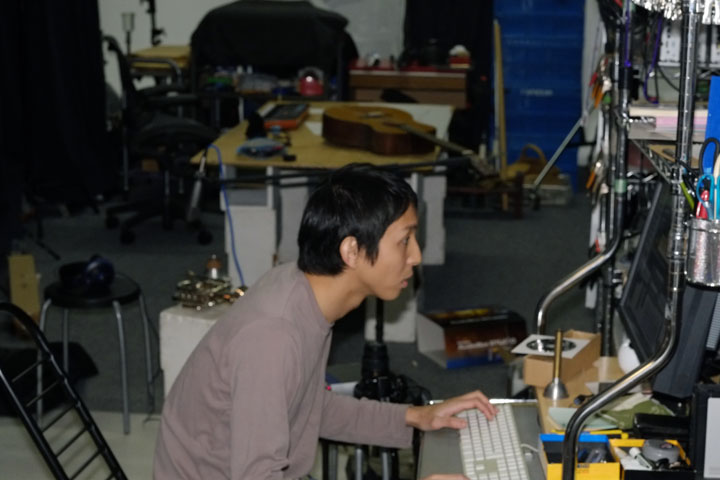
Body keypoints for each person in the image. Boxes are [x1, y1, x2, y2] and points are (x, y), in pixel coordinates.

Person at [154, 163, 497, 480]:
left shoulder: (303, 289)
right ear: (351, 251)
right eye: (404, 240)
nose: (416, 255)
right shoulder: (273, 337)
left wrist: (415, 418)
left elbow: (310, 407)